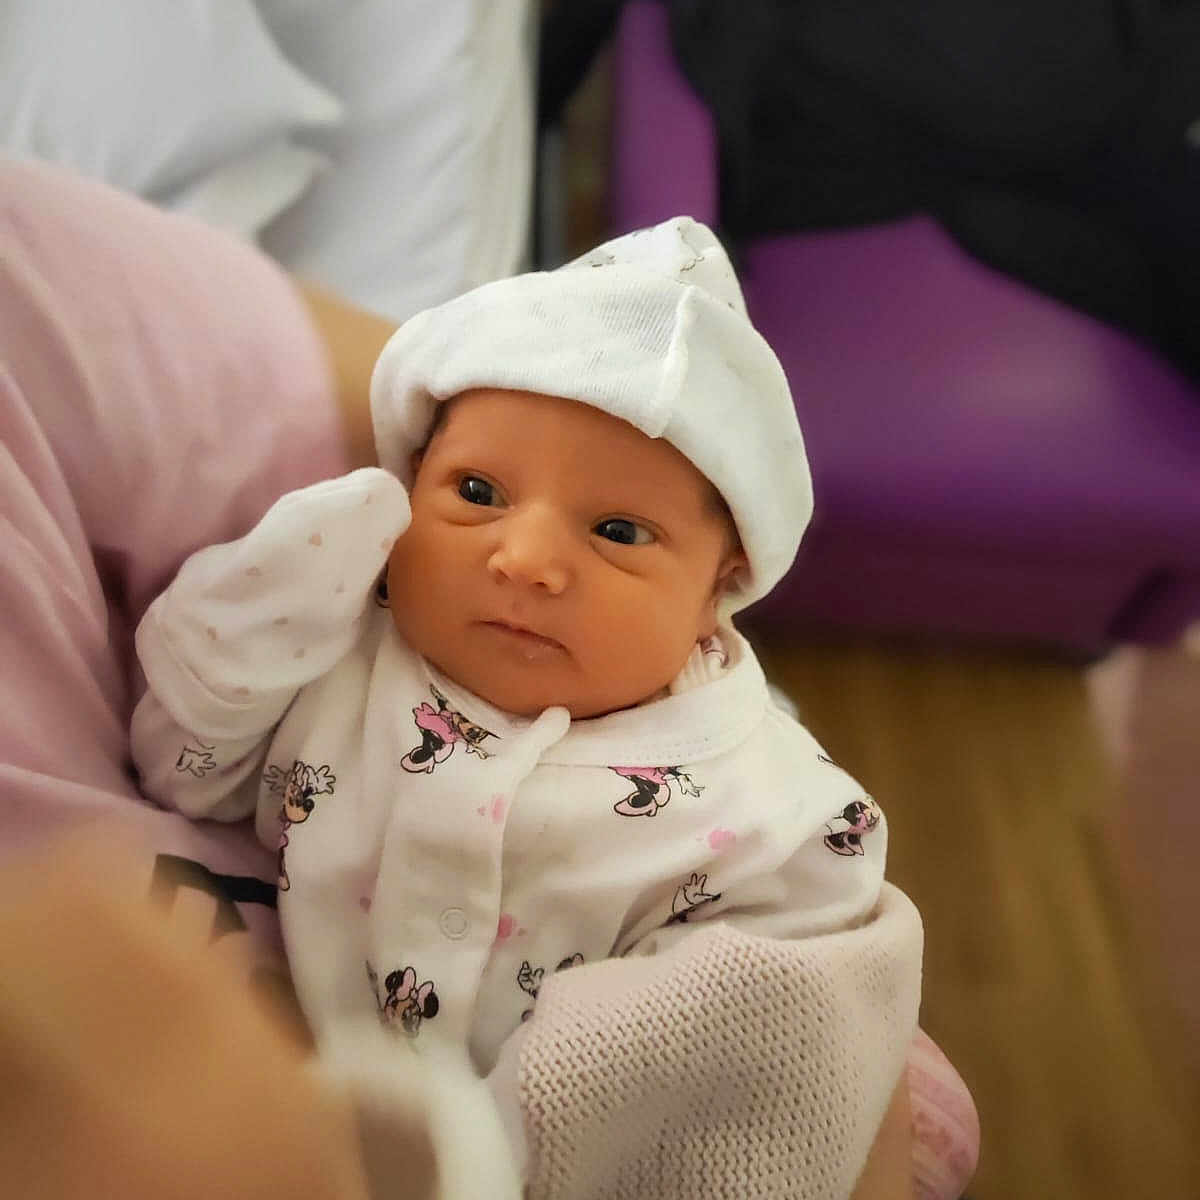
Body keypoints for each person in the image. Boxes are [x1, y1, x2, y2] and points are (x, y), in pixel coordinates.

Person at [129, 216, 930, 1198]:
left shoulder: (776, 813)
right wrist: (253, 614)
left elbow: (775, 1025)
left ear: (720, 584)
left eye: (619, 531)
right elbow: (188, 778)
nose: (527, 561)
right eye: (475, 492)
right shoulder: (341, 659)